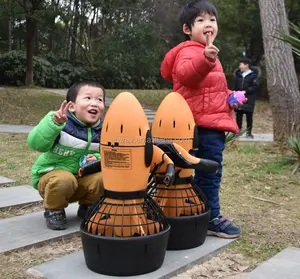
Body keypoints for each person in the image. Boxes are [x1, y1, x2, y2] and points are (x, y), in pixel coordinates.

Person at [160, 0, 245, 238]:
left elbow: (207, 91)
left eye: (212, 19)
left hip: (208, 122)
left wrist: (230, 97)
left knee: (203, 172)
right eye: (201, 20)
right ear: (188, 29)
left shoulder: (208, 54)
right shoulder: (189, 51)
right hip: (200, 126)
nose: (208, 24)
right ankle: (211, 217)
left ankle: (196, 211)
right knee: (209, 172)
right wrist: (205, 59)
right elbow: (186, 76)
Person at [27, 81, 105, 230]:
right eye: (88, 98)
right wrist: (53, 124)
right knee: (64, 179)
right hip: (52, 181)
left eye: (99, 99)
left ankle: (88, 206)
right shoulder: (60, 123)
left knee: (102, 177)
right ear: (71, 106)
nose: (94, 103)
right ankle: (54, 209)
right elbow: (36, 144)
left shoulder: (103, 131)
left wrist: (98, 158)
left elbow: (108, 154)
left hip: (81, 180)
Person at [234, 57, 259, 138]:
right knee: (238, 115)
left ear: (246, 65)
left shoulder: (253, 75)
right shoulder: (238, 75)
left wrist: (246, 91)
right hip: (239, 98)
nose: (240, 66)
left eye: (241, 64)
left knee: (249, 116)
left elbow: (255, 87)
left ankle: (249, 132)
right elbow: (236, 86)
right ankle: (237, 131)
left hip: (249, 98)